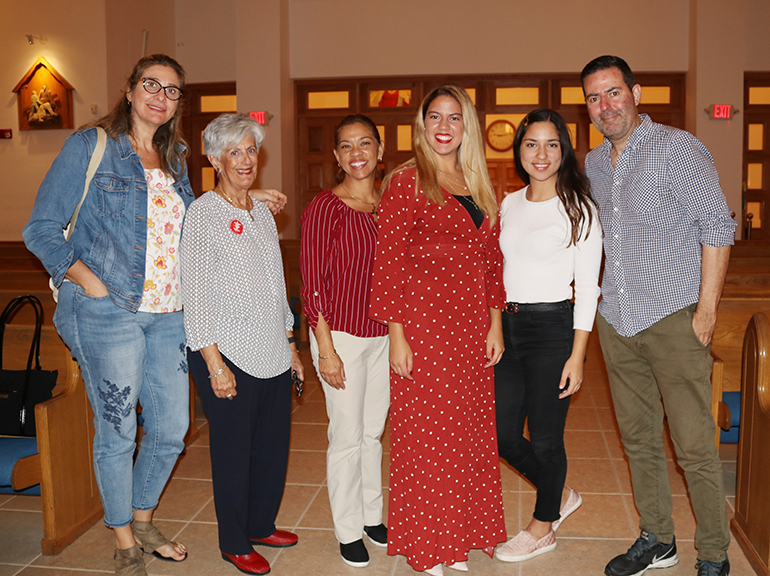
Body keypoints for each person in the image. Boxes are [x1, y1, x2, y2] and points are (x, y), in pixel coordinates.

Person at [23, 54, 192, 576]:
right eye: (151, 85)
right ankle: (123, 539)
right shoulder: (91, 146)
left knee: (170, 430)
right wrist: (90, 283)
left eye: (172, 90)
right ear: (129, 88)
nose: (161, 97)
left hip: (168, 311)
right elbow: (42, 228)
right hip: (107, 312)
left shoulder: (177, 158)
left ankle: (143, 518)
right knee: (118, 431)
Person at [581, 55, 736, 576]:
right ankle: (658, 539)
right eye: (594, 98)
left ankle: (713, 554)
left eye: (613, 92)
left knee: (693, 447)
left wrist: (706, 312)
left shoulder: (679, 149)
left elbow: (718, 228)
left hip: (674, 316)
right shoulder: (594, 164)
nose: (606, 106)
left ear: (635, 92)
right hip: (619, 319)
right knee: (639, 441)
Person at [370, 85, 507, 576]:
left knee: (467, 435)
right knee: (426, 439)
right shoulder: (407, 181)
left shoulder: (478, 182)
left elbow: (493, 262)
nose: (444, 126)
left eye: (455, 118)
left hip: (471, 330)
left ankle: (460, 536)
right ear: (422, 125)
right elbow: (388, 265)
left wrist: (496, 324)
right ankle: (428, 546)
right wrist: (397, 334)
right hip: (424, 329)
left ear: (466, 126)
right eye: (436, 117)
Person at [181, 113, 303, 576]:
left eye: (251, 149)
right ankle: (234, 540)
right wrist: (213, 362)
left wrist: (291, 343)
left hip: (270, 345)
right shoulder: (203, 213)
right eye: (235, 151)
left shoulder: (260, 213)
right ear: (214, 158)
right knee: (234, 452)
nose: (246, 159)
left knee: (271, 445)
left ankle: (259, 523)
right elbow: (193, 293)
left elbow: (277, 282)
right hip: (225, 349)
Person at [493, 109, 603, 563]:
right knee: (500, 435)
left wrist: (578, 356)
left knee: (544, 438)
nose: (541, 154)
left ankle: (542, 528)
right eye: (532, 144)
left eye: (551, 144)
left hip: (553, 330)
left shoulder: (579, 207)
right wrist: (496, 324)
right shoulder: (508, 203)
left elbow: (589, 287)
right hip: (509, 329)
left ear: (564, 151)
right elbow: (495, 272)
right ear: (519, 149)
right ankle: (558, 493)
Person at [300, 114, 390, 568]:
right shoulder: (324, 207)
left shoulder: (389, 204)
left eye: (365, 144)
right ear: (336, 156)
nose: (357, 154)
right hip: (340, 337)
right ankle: (348, 529)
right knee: (347, 436)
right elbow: (312, 283)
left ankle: (374, 516)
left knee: (373, 434)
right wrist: (326, 349)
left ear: (380, 148)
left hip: (384, 338)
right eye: (347, 146)